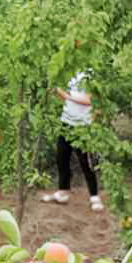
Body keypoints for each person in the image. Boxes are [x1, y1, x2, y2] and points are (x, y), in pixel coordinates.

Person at [43, 72, 104, 211]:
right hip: (66, 122)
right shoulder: (69, 71)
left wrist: (66, 96)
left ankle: (94, 195)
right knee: (61, 158)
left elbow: (91, 100)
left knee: (85, 162)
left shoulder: (90, 74)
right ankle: (63, 191)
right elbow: (66, 98)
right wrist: (57, 91)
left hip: (83, 126)